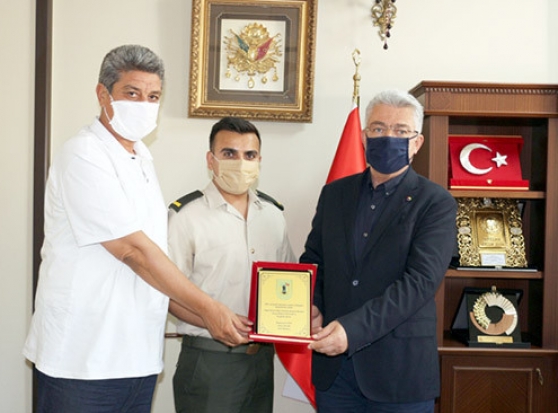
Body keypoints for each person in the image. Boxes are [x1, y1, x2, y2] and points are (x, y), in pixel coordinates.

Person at [23, 45, 249, 413]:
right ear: (103, 94)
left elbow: (153, 270)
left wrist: (217, 320)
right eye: (132, 93)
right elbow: (133, 251)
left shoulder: (141, 158)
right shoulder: (83, 154)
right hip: (83, 361)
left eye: (153, 96)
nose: (144, 105)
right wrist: (210, 308)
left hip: (137, 359)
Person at [302, 89, 457, 412]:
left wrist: (352, 330)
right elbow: (315, 260)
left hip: (400, 375)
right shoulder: (334, 194)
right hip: (336, 375)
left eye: (401, 131)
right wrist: (312, 303)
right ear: (363, 137)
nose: (388, 137)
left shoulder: (436, 203)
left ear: (417, 143)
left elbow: (419, 283)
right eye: (378, 128)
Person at [167, 116, 296, 413]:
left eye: (249, 155)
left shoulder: (273, 215)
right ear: (210, 160)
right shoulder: (185, 216)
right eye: (229, 153)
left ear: (259, 161)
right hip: (210, 361)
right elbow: (168, 294)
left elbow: (288, 281)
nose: (240, 162)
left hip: (261, 360)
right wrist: (213, 321)